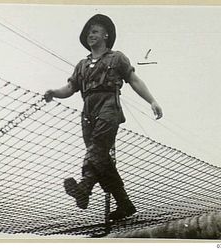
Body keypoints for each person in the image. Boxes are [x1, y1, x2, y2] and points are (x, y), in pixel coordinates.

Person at [44, 14, 163, 221]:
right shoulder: (82, 64)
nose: (91, 35)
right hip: (88, 112)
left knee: (97, 148)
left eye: (95, 31)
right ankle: (125, 205)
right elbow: (71, 87)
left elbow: (134, 80)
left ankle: (84, 188)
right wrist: (53, 92)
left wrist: (152, 101)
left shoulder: (117, 58)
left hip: (109, 107)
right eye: (89, 32)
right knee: (102, 160)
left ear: (106, 35)